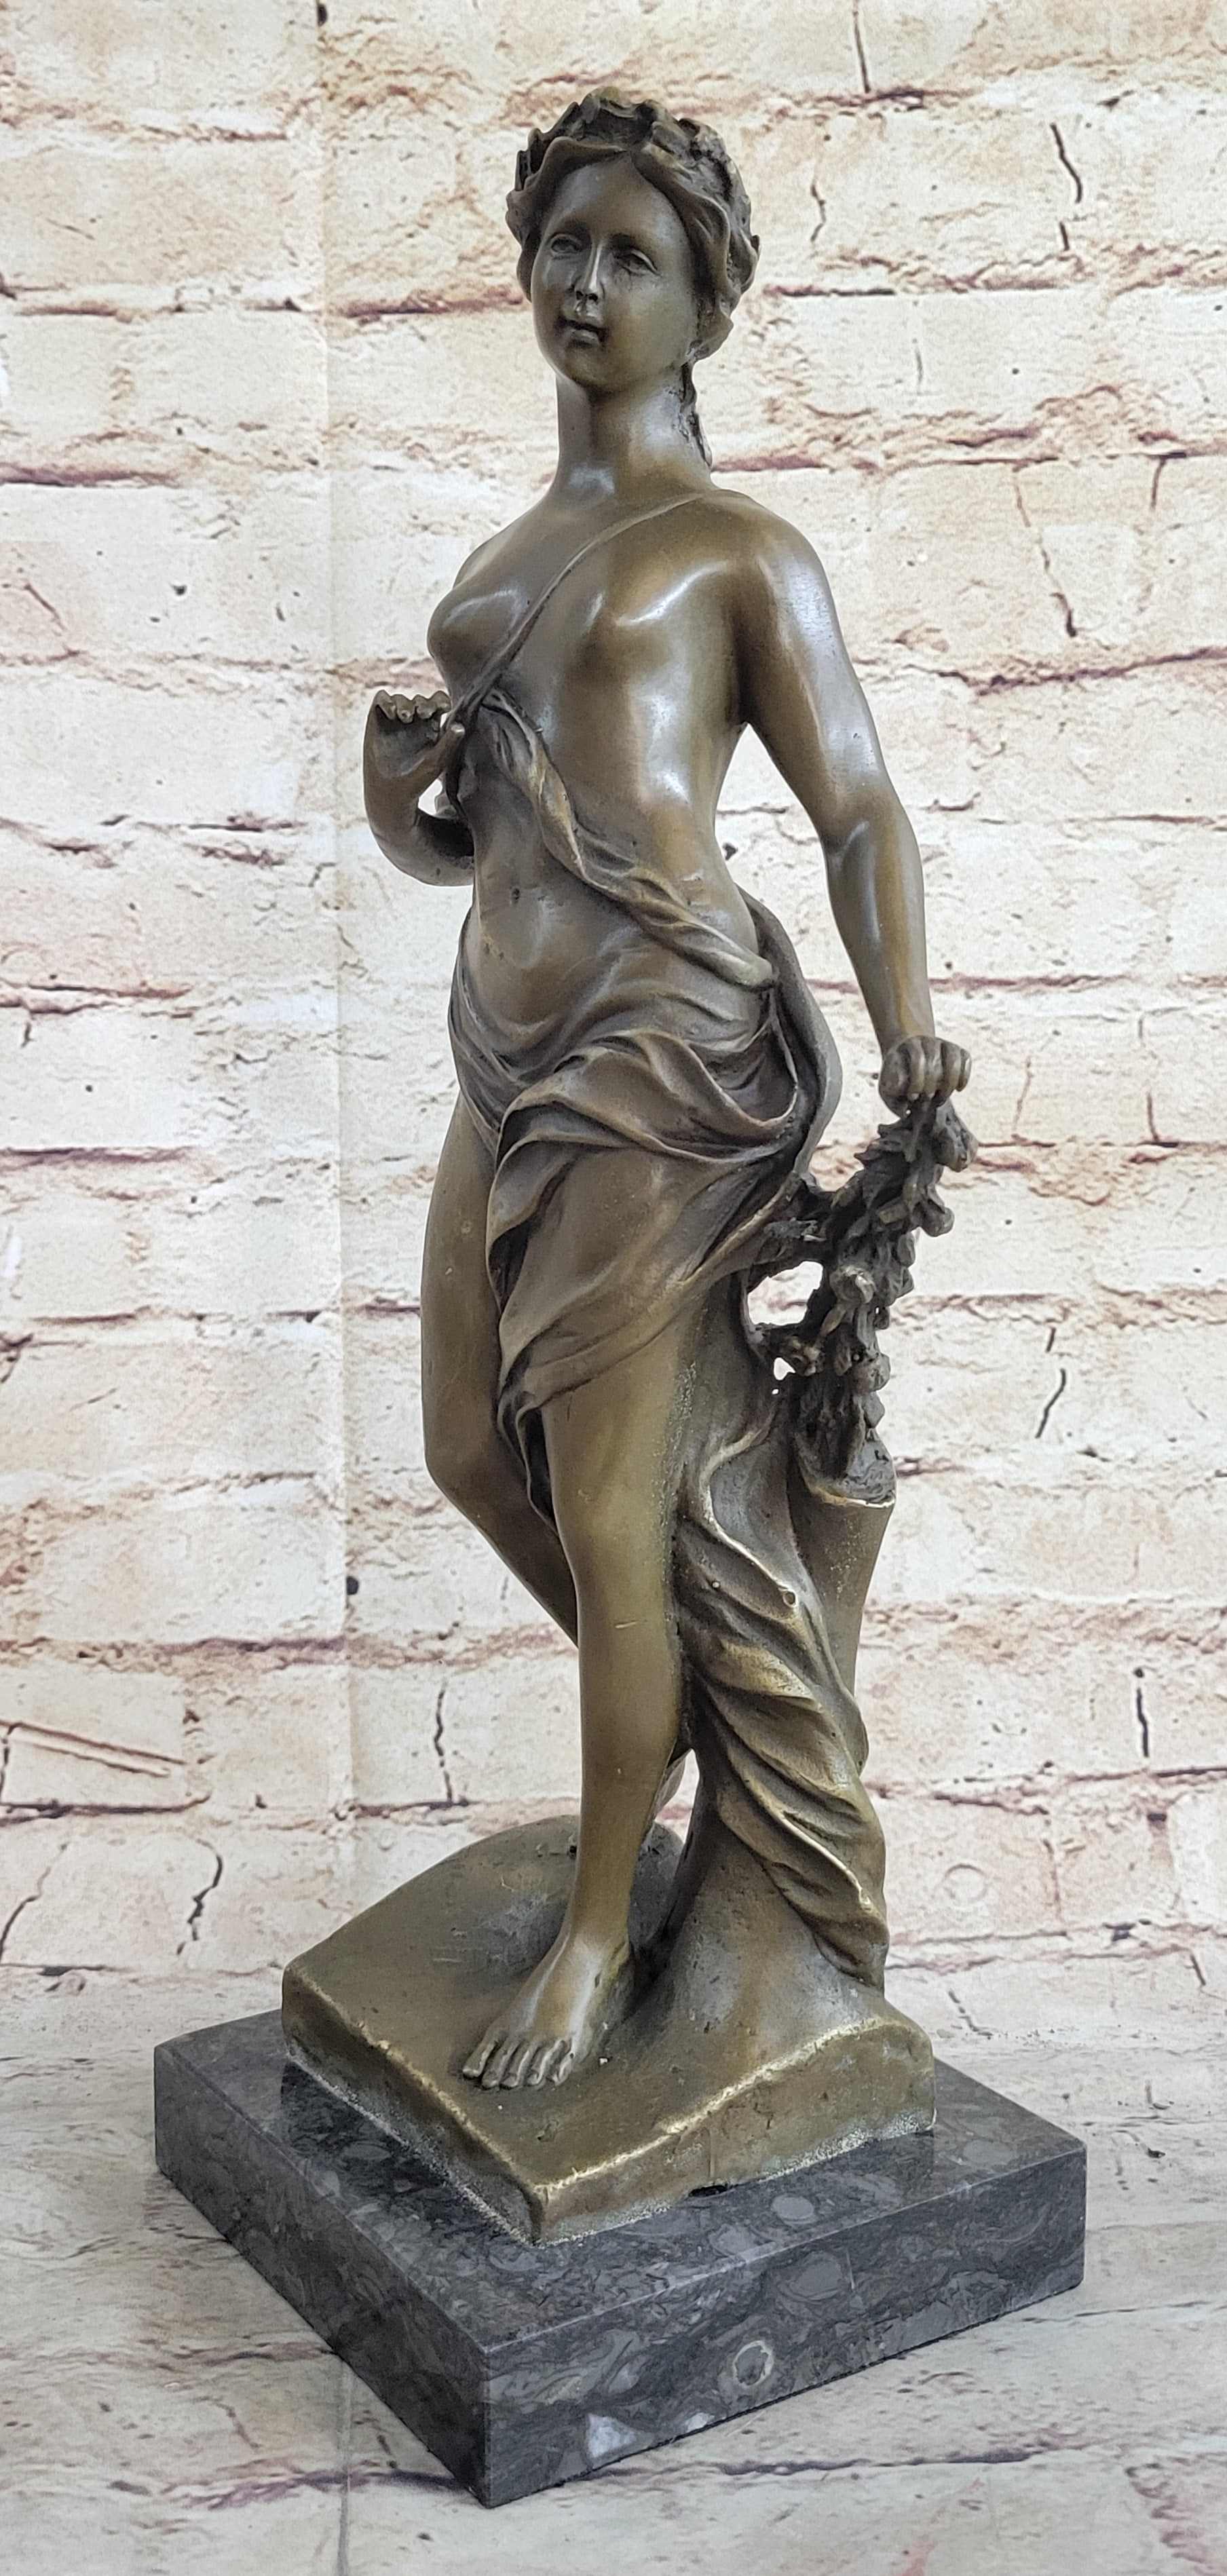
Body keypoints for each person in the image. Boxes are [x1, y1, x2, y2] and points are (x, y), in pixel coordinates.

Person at [362, 91, 969, 2094]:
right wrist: (394, 794)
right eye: (567, 243)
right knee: (470, 1447)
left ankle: (606, 1927)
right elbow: (468, 849)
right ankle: (701, 1713)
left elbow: (859, 804)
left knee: (619, 1519)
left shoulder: (739, 552)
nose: (588, 282)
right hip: (506, 1050)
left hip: (662, 1058)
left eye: (635, 256)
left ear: (708, 308)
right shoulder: (498, 565)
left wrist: (905, 1015)